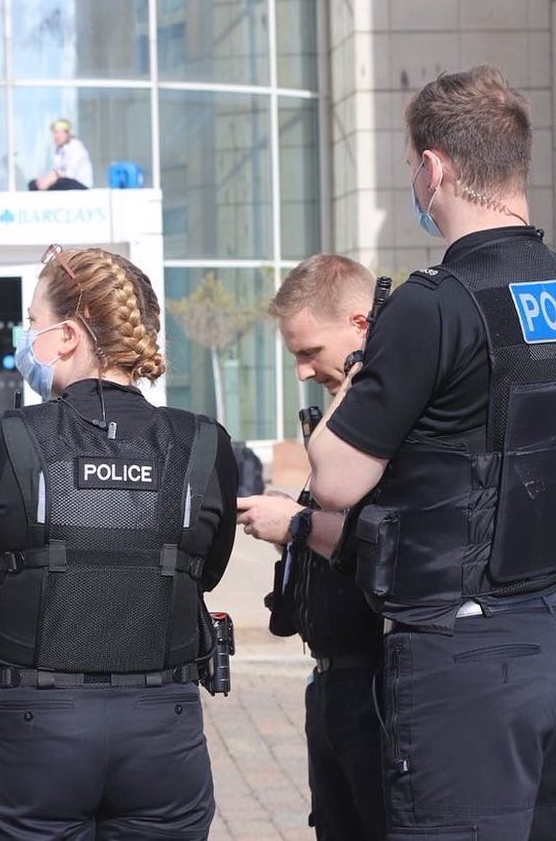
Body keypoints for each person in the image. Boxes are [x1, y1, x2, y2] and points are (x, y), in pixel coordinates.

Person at [308, 65, 556, 840]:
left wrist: (345, 397)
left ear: (434, 167)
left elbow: (338, 482)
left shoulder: (434, 303)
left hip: (466, 655)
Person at [0, 244, 237, 839]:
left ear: (68, 336)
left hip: (34, 732)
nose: (26, 337)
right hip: (165, 729)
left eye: (32, 323)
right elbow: (206, 572)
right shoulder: (203, 443)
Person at [237, 254, 386, 841]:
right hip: (331, 684)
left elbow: (384, 541)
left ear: (360, 326)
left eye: (309, 352)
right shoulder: (348, 408)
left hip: (376, 685)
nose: (301, 371)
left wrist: (297, 524)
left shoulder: (396, 416)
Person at [27, 119, 93, 191]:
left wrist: (52, 178)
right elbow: (55, 170)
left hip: (80, 184)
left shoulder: (76, 147)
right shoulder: (59, 150)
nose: (55, 136)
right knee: (33, 184)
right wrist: (43, 181)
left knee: (61, 182)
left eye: (58, 133)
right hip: (63, 180)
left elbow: (70, 174)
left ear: (67, 133)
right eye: (54, 133)